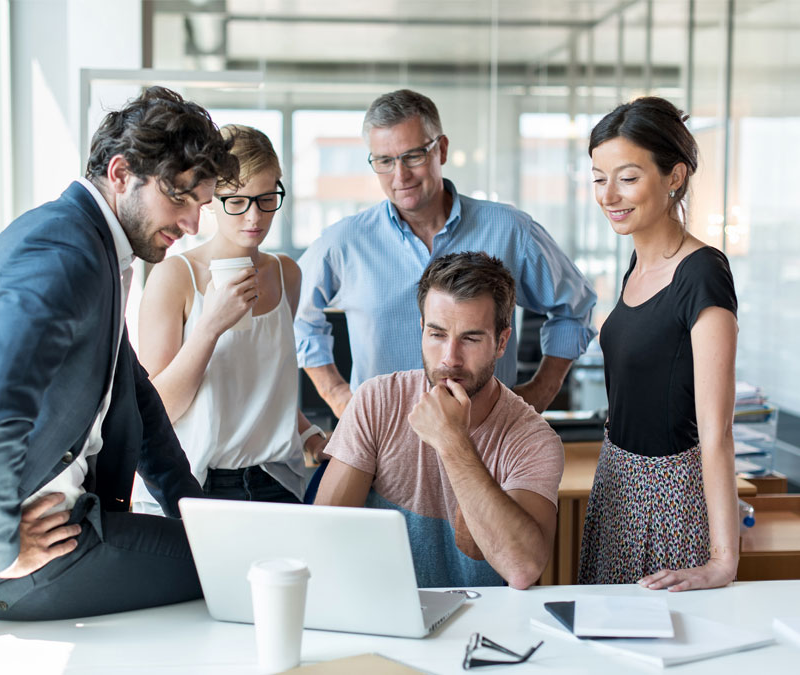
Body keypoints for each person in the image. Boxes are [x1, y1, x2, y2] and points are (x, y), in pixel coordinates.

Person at [0, 87, 238, 621]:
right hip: (18, 563)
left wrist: (193, 512)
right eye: (179, 197)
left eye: (202, 205)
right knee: (241, 567)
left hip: (61, 531)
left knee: (228, 550)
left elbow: (137, 400)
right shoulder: (66, 255)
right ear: (122, 172)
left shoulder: (95, 246)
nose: (194, 224)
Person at [295, 89, 598, 418]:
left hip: (487, 440)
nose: (400, 176)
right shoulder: (344, 241)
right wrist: (339, 396)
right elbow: (297, 317)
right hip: (381, 445)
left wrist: (538, 393)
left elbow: (574, 306)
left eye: (413, 156)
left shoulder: (511, 229)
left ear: (441, 149)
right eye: (384, 161)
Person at [314, 252, 563, 589]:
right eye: (437, 335)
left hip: (487, 626)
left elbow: (522, 569)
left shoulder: (533, 439)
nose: (450, 358)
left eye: (471, 339)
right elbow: (324, 535)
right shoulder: (377, 400)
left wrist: (453, 442)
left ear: (501, 342)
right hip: (384, 612)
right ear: (421, 329)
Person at [578, 97, 739, 590]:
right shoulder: (636, 266)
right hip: (616, 482)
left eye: (627, 177)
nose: (609, 195)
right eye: (598, 178)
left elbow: (717, 433)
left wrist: (722, 562)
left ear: (674, 177)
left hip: (671, 496)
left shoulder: (703, 274)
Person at [131, 124, 325, 510]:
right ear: (210, 200)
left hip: (277, 481)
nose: (254, 216)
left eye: (267, 198)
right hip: (196, 483)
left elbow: (265, 390)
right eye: (236, 201)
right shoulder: (175, 277)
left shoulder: (287, 274)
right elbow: (158, 410)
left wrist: (311, 437)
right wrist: (210, 325)